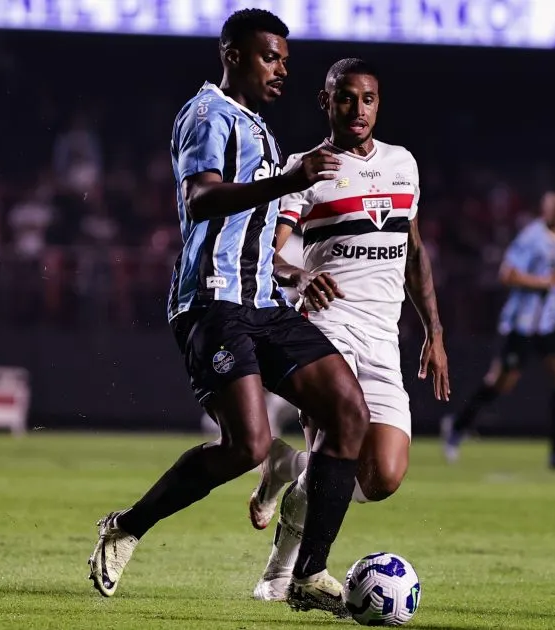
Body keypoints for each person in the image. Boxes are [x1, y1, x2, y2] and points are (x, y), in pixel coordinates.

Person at [87, 10, 369, 616]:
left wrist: (292, 274)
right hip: (212, 303)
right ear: (233, 54)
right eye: (271, 58)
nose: (281, 71)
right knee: (248, 445)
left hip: (263, 301)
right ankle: (127, 526)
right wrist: (290, 177)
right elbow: (204, 197)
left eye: (286, 62)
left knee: (348, 410)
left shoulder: (258, 128)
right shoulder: (206, 115)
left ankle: (309, 573)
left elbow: (257, 229)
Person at [245, 58, 449, 602]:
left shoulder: (403, 164)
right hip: (327, 328)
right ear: (325, 102)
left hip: (384, 336)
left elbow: (414, 252)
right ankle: (282, 574)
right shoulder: (306, 169)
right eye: (345, 98)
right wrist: (300, 274)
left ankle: (288, 465)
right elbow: (270, 250)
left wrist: (436, 331)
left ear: (378, 104)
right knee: (337, 444)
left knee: (382, 476)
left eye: (367, 99)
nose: (357, 109)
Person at [441, 192, 555, 469]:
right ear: (544, 210)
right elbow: (507, 274)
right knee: (501, 381)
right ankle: (458, 425)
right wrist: (544, 282)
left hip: (550, 322)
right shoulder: (532, 237)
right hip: (523, 323)